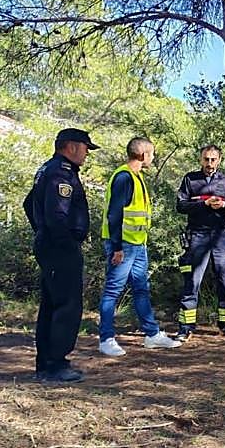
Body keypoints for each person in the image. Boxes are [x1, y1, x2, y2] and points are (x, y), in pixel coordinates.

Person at [22, 128, 97, 382]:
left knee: (52, 304)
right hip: (59, 247)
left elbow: (28, 203)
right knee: (66, 305)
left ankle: (47, 363)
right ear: (71, 146)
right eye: (85, 147)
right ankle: (55, 365)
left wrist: (41, 230)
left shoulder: (49, 169)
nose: (87, 153)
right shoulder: (60, 174)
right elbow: (57, 215)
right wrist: (64, 241)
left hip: (50, 245)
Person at [96, 137, 181, 356]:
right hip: (123, 245)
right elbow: (115, 214)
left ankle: (152, 335)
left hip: (137, 245)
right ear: (143, 155)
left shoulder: (137, 177)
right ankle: (106, 339)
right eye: (152, 153)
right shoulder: (124, 177)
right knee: (113, 291)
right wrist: (116, 247)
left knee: (141, 289)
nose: (153, 157)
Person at [174, 145, 225, 339]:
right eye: (206, 159)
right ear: (200, 159)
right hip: (197, 236)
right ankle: (186, 327)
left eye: (213, 159)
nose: (209, 163)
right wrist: (203, 204)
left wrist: (224, 205)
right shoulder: (190, 179)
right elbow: (181, 205)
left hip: (221, 236)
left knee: (224, 279)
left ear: (219, 160)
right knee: (192, 281)